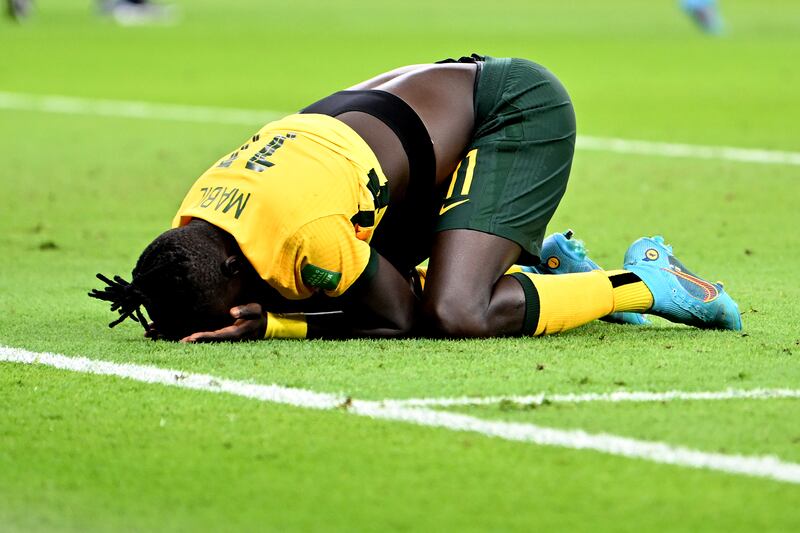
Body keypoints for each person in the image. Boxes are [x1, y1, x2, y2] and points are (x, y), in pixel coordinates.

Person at [90, 54, 742, 342]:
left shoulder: (302, 236)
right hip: (416, 123)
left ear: (233, 272)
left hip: (511, 109)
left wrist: (275, 322)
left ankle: (645, 280)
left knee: (455, 310)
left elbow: (402, 317)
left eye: (227, 306)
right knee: (360, 281)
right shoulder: (198, 214)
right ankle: (544, 272)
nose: (233, 310)